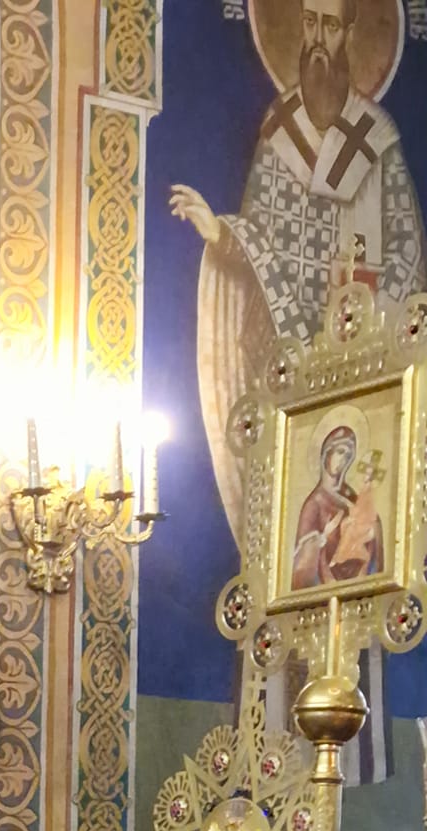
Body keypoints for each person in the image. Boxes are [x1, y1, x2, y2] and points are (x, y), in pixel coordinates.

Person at [170, 0, 426, 543]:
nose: (317, 39)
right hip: (287, 350)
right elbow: (262, 233)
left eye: (330, 26)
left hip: (362, 351)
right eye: (310, 22)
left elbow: (407, 246)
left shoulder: (377, 136)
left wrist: (372, 321)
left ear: (350, 33)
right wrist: (221, 233)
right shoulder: (278, 128)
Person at [291, 422, 384, 587]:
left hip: (358, 580)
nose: (342, 460)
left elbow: (369, 523)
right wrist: (322, 538)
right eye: (340, 452)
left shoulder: (351, 497)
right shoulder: (314, 503)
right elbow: (301, 565)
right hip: (325, 583)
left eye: (347, 456)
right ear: (327, 454)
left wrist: (372, 527)